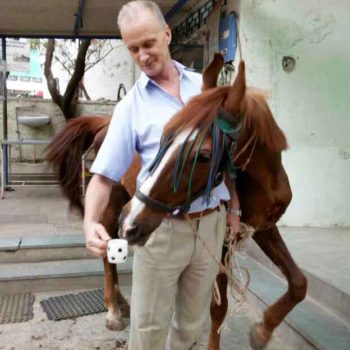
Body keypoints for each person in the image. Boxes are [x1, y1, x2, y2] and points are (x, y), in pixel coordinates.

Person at [83, 1, 240, 349]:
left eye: (149, 43)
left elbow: (225, 158)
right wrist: (90, 220)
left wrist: (234, 209)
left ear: (167, 35)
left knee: (191, 325)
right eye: (133, 48)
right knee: (149, 329)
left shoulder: (206, 88)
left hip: (210, 227)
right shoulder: (131, 108)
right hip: (162, 230)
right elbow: (104, 176)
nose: (142, 55)